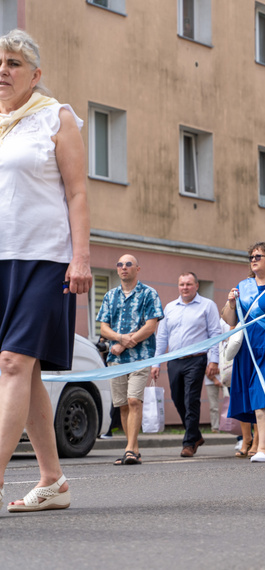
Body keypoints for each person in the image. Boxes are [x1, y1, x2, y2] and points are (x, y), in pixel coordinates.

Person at [0, 29, 92, 512]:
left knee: (13, 363)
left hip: (45, 259)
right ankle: (53, 480)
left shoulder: (56, 118)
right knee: (25, 372)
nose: (3, 70)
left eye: (14, 63)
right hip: (2, 259)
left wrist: (81, 257)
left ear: (35, 74)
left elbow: (77, 193)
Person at [97, 255, 163, 466]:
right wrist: (118, 338)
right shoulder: (110, 295)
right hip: (115, 359)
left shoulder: (148, 293)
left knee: (134, 400)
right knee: (123, 405)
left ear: (137, 269)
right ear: (117, 270)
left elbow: (151, 326)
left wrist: (124, 343)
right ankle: (132, 449)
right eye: (120, 265)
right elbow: (103, 328)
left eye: (128, 264)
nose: (123, 268)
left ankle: (129, 449)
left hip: (140, 357)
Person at [222, 242, 265, 463]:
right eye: (251, 257)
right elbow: (230, 319)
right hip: (248, 348)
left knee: (263, 390)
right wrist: (231, 303)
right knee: (257, 393)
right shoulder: (243, 285)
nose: (254, 259)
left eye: (259, 255)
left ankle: (264, 448)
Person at [152, 271, 221, 457]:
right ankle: (196, 434)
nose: (185, 288)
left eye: (189, 284)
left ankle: (189, 442)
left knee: (191, 399)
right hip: (174, 360)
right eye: (182, 284)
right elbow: (162, 336)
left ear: (196, 286)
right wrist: (156, 363)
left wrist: (214, 360)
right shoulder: (170, 308)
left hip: (197, 359)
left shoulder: (207, 306)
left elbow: (215, 333)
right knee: (177, 398)